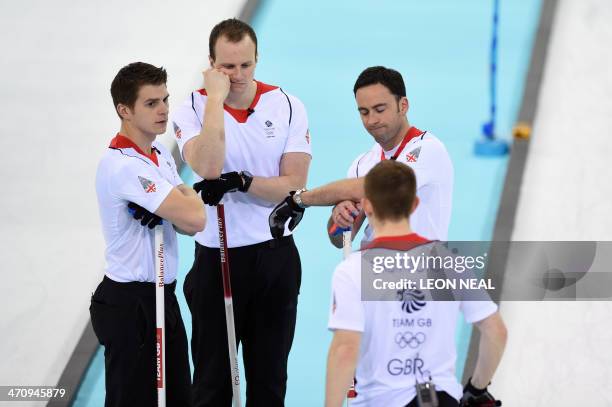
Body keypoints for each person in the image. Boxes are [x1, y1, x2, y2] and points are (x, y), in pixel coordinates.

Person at [170, 18, 312, 406]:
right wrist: (215, 100)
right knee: (213, 383)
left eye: (245, 65)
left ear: (257, 59)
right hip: (218, 259)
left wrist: (243, 182)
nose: (237, 75)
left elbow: (294, 185)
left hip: (274, 257)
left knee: (269, 381)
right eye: (227, 67)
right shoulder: (192, 108)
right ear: (212, 64)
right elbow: (209, 167)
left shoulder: (286, 105)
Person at [324, 160, 507, 407]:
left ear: (366, 205)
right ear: (414, 205)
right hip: (442, 399)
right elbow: (496, 331)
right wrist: (476, 388)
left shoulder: (352, 270)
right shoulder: (449, 261)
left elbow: (345, 349)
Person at [91, 62, 206, 407]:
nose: (164, 110)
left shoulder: (157, 155)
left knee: (177, 399)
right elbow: (196, 217)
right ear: (124, 110)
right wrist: (180, 199)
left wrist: (177, 201)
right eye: (151, 103)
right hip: (131, 303)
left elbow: (188, 223)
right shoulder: (125, 166)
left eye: (165, 100)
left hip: (162, 297)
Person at [269, 66, 453, 244]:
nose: (372, 120)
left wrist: (300, 199)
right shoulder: (362, 163)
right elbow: (339, 240)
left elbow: (374, 187)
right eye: (364, 112)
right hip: (372, 270)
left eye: (380, 110)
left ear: (403, 106)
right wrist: (339, 218)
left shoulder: (428, 149)